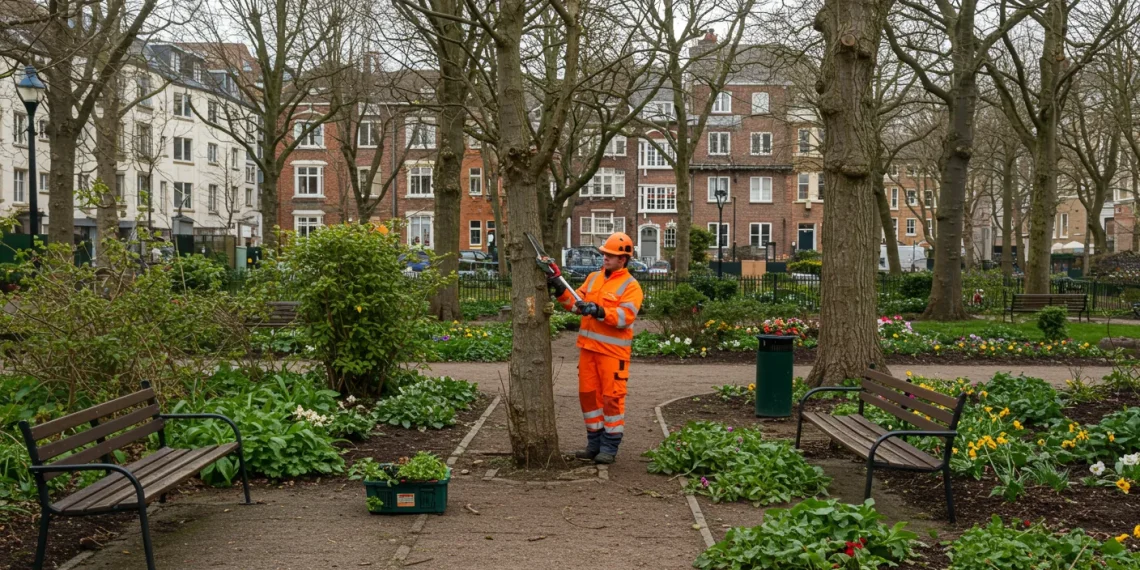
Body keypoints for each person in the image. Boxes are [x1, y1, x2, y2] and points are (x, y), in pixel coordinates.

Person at [548, 232, 643, 464]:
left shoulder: (631, 286)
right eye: (604, 254)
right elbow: (575, 304)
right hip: (589, 350)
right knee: (588, 397)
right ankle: (594, 444)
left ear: (623, 259)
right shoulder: (593, 278)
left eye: (610, 255)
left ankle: (609, 446)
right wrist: (559, 287)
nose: (605, 258)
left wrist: (599, 311)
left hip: (613, 354)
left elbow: (625, 317)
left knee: (612, 399)